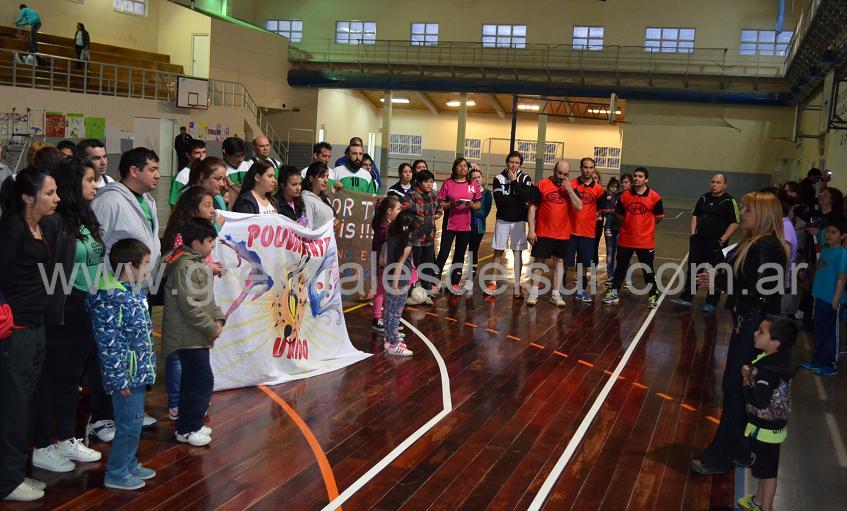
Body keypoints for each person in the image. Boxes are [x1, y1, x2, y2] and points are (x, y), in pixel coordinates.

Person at [690, 191, 788, 476]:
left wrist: (721, 282)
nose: (742, 213)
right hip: (748, 323)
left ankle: (721, 456)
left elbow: (762, 289)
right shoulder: (757, 243)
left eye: (747, 209)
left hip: (753, 327)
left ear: (761, 214)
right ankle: (741, 449)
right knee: (737, 390)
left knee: (735, 390)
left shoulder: (768, 246)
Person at [32, 158, 104, 474]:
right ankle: (41, 445)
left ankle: (65, 437)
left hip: (86, 307)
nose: (94, 185)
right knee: (51, 379)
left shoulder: (84, 218)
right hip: (63, 309)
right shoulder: (54, 222)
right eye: (90, 179)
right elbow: (44, 270)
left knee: (71, 378)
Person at [89, 147, 161, 437]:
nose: (158, 174)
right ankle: (101, 417)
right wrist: (107, 287)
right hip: (113, 292)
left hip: (139, 288)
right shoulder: (109, 201)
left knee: (136, 350)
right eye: (153, 169)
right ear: (134, 170)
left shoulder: (148, 200)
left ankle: (130, 409)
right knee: (111, 354)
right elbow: (98, 244)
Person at [0, 167, 59, 502]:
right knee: (14, 406)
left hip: (36, 326)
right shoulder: (11, 229)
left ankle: (17, 472)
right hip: (16, 330)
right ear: (27, 196)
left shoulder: (40, 227)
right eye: (49, 193)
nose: (56, 198)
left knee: (28, 403)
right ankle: (7, 481)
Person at [87, 238, 157, 490]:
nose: (150, 269)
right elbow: (110, 344)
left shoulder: (132, 292)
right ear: (130, 266)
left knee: (134, 422)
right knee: (128, 424)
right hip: (125, 375)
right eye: (146, 264)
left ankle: (128, 462)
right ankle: (116, 472)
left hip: (135, 371)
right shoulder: (110, 298)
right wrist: (119, 379)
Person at [162, 219, 225, 447]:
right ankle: (188, 428)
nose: (212, 246)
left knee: (195, 380)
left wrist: (219, 317)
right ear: (196, 242)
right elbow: (190, 306)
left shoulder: (196, 263)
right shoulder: (185, 267)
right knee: (200, 381)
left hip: (196, 335)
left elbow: (206, 298)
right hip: (187, 337)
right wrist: (211, 327)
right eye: (209, 241)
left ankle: (190, 424)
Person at [736, 317, 797, 511]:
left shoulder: (766, 370)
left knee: (768, 472)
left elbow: (759, 400)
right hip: (772, 427)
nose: (755, 333)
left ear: (775, 343)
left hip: (765, 429)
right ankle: (757, 501)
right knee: (764, 468)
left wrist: (746, 380)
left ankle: (766, 507)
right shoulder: (779, 360)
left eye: (761, 332)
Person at [673, 174, 740, 312]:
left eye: (718, 182)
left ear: (725, 185)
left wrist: (723, 238)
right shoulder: (704, 197)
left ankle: (712, 301)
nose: (714, 185)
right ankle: (687, 297)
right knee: (693, 269)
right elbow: (695, 215)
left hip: (717, 245)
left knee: (714, 272)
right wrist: (693, 234)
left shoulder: (729, 201)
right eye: (713, 182)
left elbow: (735, 222)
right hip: (699, 242)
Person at [602, 167, 664, 309]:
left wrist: (645, 226)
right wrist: (629, 224)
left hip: (645, 241)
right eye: (635, 176)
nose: (636, 178)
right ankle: (614, 293)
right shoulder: (625, 195)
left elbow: (659, 217)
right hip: (626, 239)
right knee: (620, 268)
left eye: (640, 176)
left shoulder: (655, 197)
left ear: (646, 179)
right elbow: (618, 214)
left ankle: (653, 295)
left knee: (647, 269)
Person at [526, 160, 583, 306]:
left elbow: (579, 207)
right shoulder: (542, 184)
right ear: (553, 170)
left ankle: (556, 295)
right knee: (539, 262)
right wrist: (531, 230)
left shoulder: (571, 187)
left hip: (562, 234)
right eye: (559, 173)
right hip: (543, 232)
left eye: (565, 174)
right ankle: (533, 293)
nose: (562, 176)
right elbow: (532, 208)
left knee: (559, 263)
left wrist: (569, 190)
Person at [801, 218, 847, 376]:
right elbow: (820, 270)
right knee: (819, 331)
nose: (828, 235)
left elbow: (842, 277)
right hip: (819, 297)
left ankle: (830, 364)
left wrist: (836, 298)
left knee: (830, 333)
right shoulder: (825, 250)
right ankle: (818, 360)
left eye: (833, 232)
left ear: (843, 236)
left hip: (831, 300)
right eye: (827, 231)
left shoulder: (842, 254)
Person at [487, 151, 534, 299]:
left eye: (516, 163)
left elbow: (528, 197)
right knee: (498, 252)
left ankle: (517, 284)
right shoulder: (498, 178)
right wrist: (519, 200)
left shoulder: (525, 178)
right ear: (507, 162)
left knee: (517, 253)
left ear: (520, 164)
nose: (513, 165)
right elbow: (500, 202)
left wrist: (514, 182)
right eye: (511, 162)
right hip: (502, 220)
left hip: (519, 221)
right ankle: (493, 282)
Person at [435, 157, 482, 295]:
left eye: (465, 166)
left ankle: (454, 283)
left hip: (465, 226)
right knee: (443, 253)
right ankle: (434, 282)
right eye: (460, 166)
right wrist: (451, 204)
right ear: (455, 168)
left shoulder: (473, 184)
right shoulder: (448, 183)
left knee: (459, 255)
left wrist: (471, 205)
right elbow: (440, 204)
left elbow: (478, 205)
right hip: (450, 225)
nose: (463, 168)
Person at [379, 209, 418, 356]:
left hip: (388, 277)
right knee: (395, 313)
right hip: (399, 281)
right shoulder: (406, 244)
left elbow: (383, 260)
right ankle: (394, 345)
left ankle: (389, 340)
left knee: (389, 311)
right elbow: (399, 265)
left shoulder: (392, 238)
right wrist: (395, 286)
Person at [567, 157, 605, 303]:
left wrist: (588, 219)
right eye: (585, 167)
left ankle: (581, 290)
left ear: (593, 169)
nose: (588, 170)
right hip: (570, 230)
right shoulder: (571, 184)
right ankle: (559, 289)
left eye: (591, 167)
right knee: (565, 262)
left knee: (583, 264)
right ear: (581, 167)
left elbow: (599, 211)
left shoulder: (598, 189)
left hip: (588, 232)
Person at [407, 169, 441, 300]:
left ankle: (426, 291)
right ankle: (411, 290)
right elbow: (406, 211)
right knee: (414, 266)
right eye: (426, 181)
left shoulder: (434, 195)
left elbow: (439, 209)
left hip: (429, 238)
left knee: (427, 265)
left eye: (431, 181)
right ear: (419, 182)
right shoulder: (412, 196)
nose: (429, 184)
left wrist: (434, 216)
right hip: (415, 238)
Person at [371, 196, 403, 333]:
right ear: (389, 211)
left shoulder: (388, 225)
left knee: (385, 291)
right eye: (398, 209)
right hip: (381, 263)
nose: (400, 211)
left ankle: (384, 317)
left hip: (384, 263)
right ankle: (377, 318)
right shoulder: (384, 228)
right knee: (381, 291)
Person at [468, 167, 493, 293]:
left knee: (473, 251)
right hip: (464, 225)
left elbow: (483, 212)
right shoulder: (467, 190)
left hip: (478, 226)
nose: (477, 179)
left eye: (479, 177)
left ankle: (470, 278)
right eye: (474, 177)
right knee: (461, 251)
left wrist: (470, 206)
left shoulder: (487, 193)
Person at [168, 139, 206, 206]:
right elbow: (175, 206)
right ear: (188, 155)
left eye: (204, 152)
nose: (201, 156)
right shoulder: (181, 177)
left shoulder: (207, 172)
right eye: (197, 153)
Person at [301, 162, 337, 230]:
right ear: (311, 178)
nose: (326, 180)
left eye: (327, 176)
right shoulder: (306, 199)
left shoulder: (324, 198)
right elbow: (306, 229)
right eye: (322, 177)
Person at [597, 177, 621, 281]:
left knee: (620, 253)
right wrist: (612, 211)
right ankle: (610, 275)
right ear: (608, 186)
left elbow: (617, 210)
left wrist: (612, 210)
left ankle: (623, 277)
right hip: (609, 228)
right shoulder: (605, 196)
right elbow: (604, 210)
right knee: (610, 252)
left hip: (618, 227)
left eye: (616, 187)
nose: (614, 189)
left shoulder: (619, 197)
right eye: (612, 186)